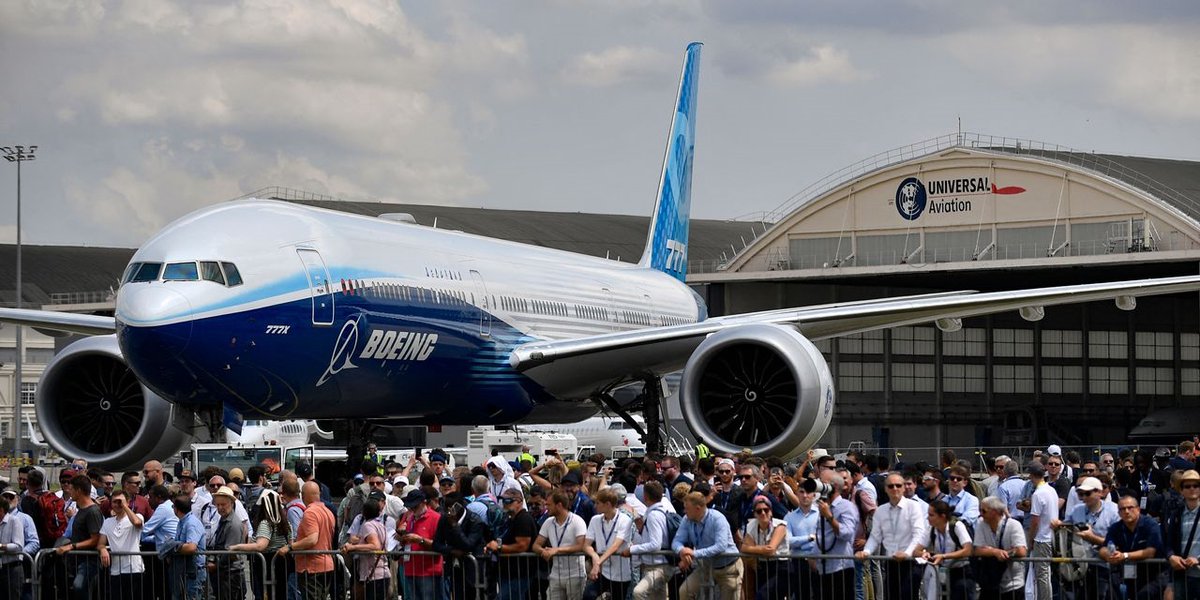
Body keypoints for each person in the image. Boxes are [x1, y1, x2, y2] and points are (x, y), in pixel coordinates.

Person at [855, 473, 928, 600]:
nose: (895, 489)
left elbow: (919, 534)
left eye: (898, 485)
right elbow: (875, 536)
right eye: (891, 486)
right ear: (885, 489)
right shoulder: (881, 511)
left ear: (903, 487)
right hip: (892, 562)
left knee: (908, 595)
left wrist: (906, 553)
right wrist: (866, 552)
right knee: (892, 595)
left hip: (911, 562)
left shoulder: (913, 507)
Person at [1054, 475, 1119, 599]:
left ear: (1099, 492)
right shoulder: (1076, 510)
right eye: (1081, 494)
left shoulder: (1113, 511)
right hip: (1081, 567)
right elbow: (1066, 529)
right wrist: (1058, 525)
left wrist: (1092, 538)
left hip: (1105, 568)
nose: (1083, 497)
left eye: (1087, 493)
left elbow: (1117, 543)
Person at [674, 491, 743, 600]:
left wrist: (694, 553)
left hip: (728, 568)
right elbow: (677, 541)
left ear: (697, 508)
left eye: (687, 508)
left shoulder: (717, 518)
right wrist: (682, 551)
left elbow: (721, 546)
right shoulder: (687, 519)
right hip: (706, 566)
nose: (684, 511)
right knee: (685, 591)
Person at [1100, 495, 1166, 599]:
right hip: (1130, 575)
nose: (1126, 511)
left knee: (1144, 595)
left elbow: (1150, 552)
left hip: (1154, 574)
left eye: (1130, 508)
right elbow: (1104, 548)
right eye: (1122, 509)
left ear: (1138, 509)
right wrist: (1109, 556)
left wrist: (1125, 556)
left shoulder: (1150, 524)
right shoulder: (1116, 527)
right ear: (1118, 513)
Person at [278, 481, 335, 600]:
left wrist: (290, 547)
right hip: (325, 564)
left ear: (304, 495)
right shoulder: (327, 512)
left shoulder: (310, 513)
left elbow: (312, 539)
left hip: (312, 568)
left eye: (302, 493)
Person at [229, 490, 290, 600]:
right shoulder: (286, 522)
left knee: (265, 594)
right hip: (282, 564)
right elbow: (291, 542)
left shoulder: (266, 523)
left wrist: (236, 547)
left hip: (267, 564)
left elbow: (260, 545)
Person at [533, 489, 588, 600]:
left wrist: (557, 550)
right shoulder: (548, 522)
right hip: (555, 574)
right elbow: (536, 545)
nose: (546, 507)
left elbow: (581, 546)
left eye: (549, 504)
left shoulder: (577, 521)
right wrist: (543, 551)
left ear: (559, 505)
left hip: (575, 574)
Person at [56, 474, 103, 600]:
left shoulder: (92, 511)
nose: (69, 492)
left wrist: (71, 546)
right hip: (78, 560)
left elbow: (95, 539)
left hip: (89, 561)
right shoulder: (81, 510)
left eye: (72, 489)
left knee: (80, 586)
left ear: (79, 490)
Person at [582, 487, 634, 600]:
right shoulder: (595, 520)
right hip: (603, 571)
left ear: (608, 504)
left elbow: (615, 546)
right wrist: (595, 557)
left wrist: (597, 563)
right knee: (588, 595)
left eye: (598, 503)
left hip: (620, 573)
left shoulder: (625, 520)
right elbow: (586, 545)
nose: (595, 506)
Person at [486, 488, 536, 600]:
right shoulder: (509, 519)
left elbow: (522, 545)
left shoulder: (524, 519)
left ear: (519, 502)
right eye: (503, 501)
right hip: (507, 572)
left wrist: (498, 547)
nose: (505, 504)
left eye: (508, 501)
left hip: (520, 572)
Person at [973, 496, 1027, 600]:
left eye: (983, 511)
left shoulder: (1013, 525)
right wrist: (995, 552)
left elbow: (1021, 551)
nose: (980, 513)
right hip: (990, 582)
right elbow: (977, 550)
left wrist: (1005, 553)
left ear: (994, 512)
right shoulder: (981, 523)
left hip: (1013, 583)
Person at [628, 480, 674, 600]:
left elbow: (655, 544)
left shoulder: (654, 515)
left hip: (657, 566)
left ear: (645, 496)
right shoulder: (662, 510)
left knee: (638, 592)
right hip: (657, 564)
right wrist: (641, 529)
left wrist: (632, 549)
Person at [920, 499, 973, 600]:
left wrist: (944, 556)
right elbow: (916, 550)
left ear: (942, 516)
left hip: (962, 571)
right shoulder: (931, 529)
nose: (928, 518)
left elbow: (968, 549)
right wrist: (925, 553)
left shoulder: (956, 526)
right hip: (944, 572)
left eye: (931, 515)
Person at [340, 496, 391, 600]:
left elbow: (375, 546)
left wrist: (352, 548)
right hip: (380, 574)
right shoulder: (380, 525)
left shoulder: (368, 525)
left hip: (374, 574)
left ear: (364, 512)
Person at [98, 489, 145, 599]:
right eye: (114, 502)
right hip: (115, 570)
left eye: (120, 501)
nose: (117, 504)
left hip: (134, 569)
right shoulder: (107, 522)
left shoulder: (137, 516)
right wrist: (103, 549)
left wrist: (125, 507)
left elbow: (137, 523)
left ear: (127, 502)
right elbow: (100, 543)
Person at [397, 488, 443, 599]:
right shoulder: (411, 518)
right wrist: (403, 540)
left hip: (428, 572)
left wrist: (420, 540)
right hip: (410, 569)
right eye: (410, 507)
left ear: (424, 502)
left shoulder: (436, 518)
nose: (412, 509)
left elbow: (440, 545)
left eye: (415, 506)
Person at [742, 495, 790, 600]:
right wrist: (763, 549)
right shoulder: (751, 525)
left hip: (780, 567)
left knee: (762, 596)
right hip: (763, 567)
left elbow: (771, 550)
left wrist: (754, 548)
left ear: (771, 512)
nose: (763, 513)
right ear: (755, 514)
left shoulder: (780, 526)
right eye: (759, 511)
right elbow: (744, 548)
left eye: (766, 510)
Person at [1164, 469, 1200, 600]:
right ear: (1182, 490)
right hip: (1182, 574)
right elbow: (1168, 543)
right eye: (1187, 486)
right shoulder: (1176, 514)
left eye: (1196, 485)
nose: (1192, 489)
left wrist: (1198, 559)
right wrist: (1171, 556)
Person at [1025, 461, 1058, 600]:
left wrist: (1030, 540)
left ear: (1032, 475)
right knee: (1046, 574)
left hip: (1041, 538)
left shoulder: (1038, 494)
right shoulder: (1051, 490)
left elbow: (1035, 521)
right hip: (1051, 536)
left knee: (1042, 574)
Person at [206, 486, 247, 600]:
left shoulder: (233, 523)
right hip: (225, 572)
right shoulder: (224, 519)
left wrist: (215, 565)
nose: (220, 508)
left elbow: (230, 552)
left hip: (231, 574)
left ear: (231, 503)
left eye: (223, 504)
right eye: (218, 505)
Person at [163, 496, 206, 600]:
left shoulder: (191, 523)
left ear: (176, 509)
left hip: (193, 573)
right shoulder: (182, 521)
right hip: (183, 571)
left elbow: (191, 547)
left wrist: (173, 548)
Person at [0, 490, 27, 600]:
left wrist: (1, 546)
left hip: (13, 569)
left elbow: (18, 546)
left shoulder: (14, 521)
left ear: (1, 510)